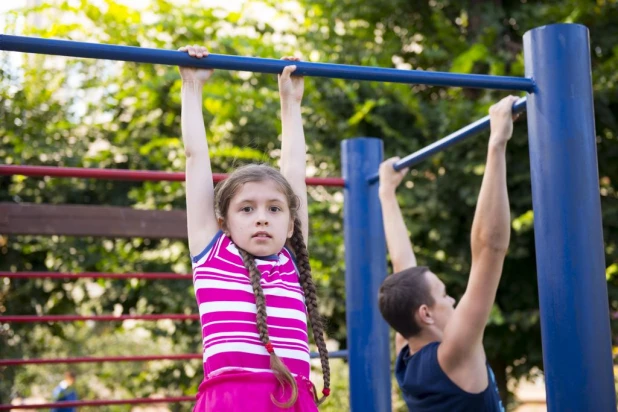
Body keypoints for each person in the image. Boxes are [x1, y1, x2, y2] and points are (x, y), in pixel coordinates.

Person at [178, 45, 330, 411]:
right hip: (230, 401)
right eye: (246, 209)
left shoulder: (291, 260)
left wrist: (291, 104)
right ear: (223, 223)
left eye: (274, 209)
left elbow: (295, 172)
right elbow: (196, 157)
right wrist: (192, 87)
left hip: (293, 399)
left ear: (291, 222)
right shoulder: (213, 255)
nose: (262, 217)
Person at [378, 95, 520, 411]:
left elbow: (404, 264)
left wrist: (387, 193)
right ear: (426, 313)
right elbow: (490, 250)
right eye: (444, 295)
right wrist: (496, 144)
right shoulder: (455, 353)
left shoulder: (407, 356)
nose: (453, 300)